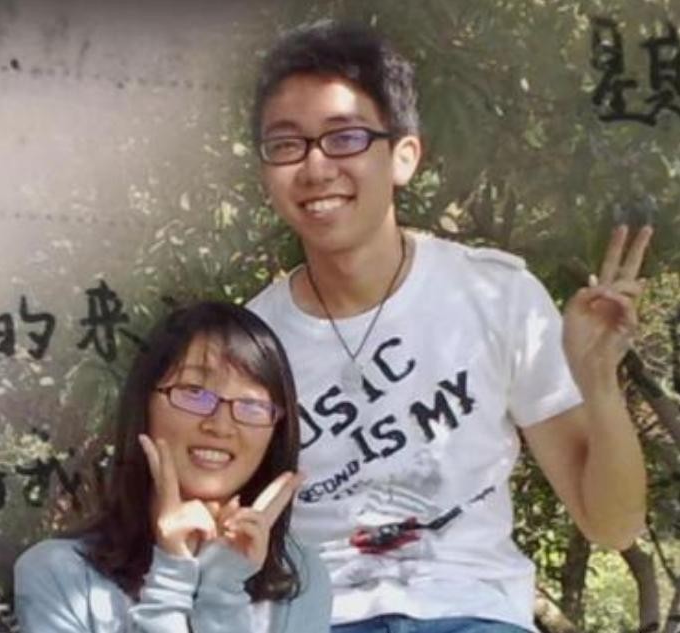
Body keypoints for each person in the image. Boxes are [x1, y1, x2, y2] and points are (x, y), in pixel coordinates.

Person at [246, 20, 652, 633]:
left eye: (345, 137)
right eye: (286, 144)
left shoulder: (496, 295)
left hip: (471, 611)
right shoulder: (248, 343)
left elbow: (612, 525)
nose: (316, 166)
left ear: (403, 156)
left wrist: (598, 385)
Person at [14, 302, 332, 632]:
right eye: (194, 392)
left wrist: (222, 590)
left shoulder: (300, 579)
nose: (220, 425)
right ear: (143, 404)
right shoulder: (57, 573)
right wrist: (171, 575)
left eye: (251, 404)